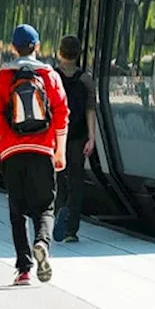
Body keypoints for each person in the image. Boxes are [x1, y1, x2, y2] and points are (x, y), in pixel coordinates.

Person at [0, 24, 68, 285]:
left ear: (13, 47)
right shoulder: (49, 75)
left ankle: (23, 268)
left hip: (11, 152)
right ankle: (42, 242)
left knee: (17, 211)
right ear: (38, 46)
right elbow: (62, 115)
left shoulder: (3, 77)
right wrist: (60, 152)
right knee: (45, 207)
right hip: (43, 149)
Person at [52, 35, 96, 244]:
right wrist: (92, 138)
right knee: (76, 181)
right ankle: (71, 229)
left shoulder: (52, 77)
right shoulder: (85, 80)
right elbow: (90, 110)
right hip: (78, 136)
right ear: (78, 54)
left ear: (60, 52)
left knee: (58, 179)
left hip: (56, 137)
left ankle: (58, 211)